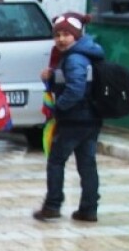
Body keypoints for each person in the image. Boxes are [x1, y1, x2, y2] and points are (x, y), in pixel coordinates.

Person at [34, 12, 104, 222]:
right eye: (58, 35)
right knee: (87, 164)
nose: (61, 39)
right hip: (91, 117)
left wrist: (58, 108)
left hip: (75, 118)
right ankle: (89, 209)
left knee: (56, 160)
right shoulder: (89, 53)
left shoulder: (74, 58)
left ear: (76, 35)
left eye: (66, 34)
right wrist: (54, 75)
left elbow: (75, 88)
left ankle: (53, 205)